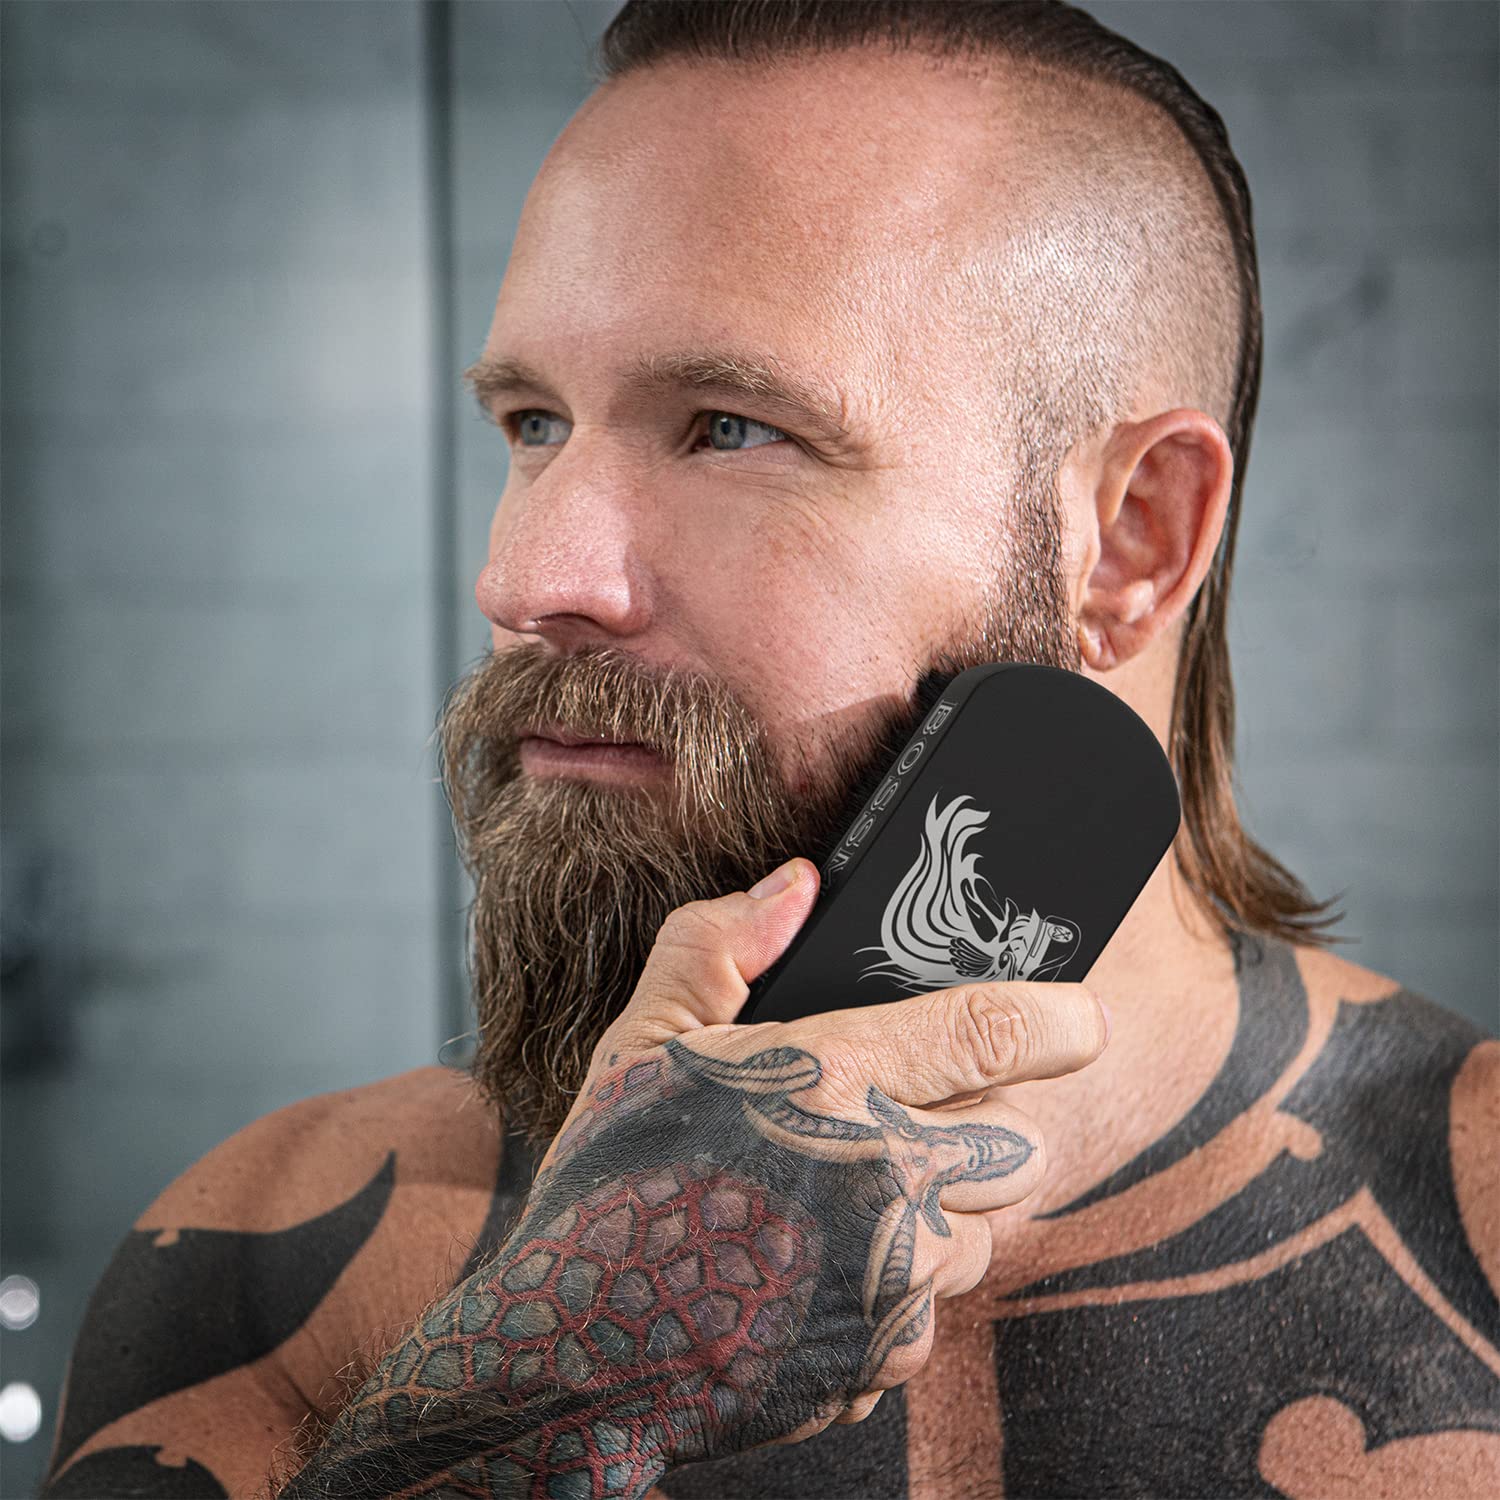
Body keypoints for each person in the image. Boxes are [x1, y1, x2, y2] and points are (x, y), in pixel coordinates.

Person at [40, 3, 1499, 1497]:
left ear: (1130, 536)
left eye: (731, 428)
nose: (525, 578)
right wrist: (552, 1380)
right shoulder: (282, 1262)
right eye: (533, 422)